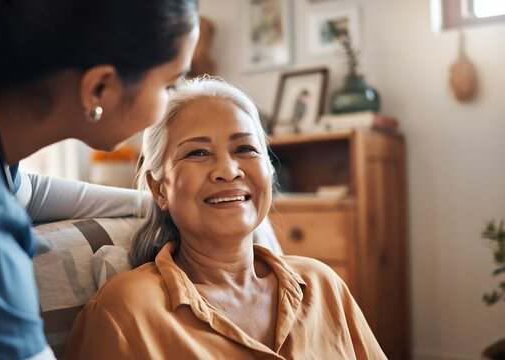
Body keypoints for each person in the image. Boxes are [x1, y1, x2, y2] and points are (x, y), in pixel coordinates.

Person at [0, 0, 199, 358]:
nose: (167, 102)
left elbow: (28, 193)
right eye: (170, 84)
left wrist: (160, 203)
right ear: (99, 88)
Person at [65, 77, 386, 359]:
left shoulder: (323, 284)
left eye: (245, 148)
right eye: (198, 153)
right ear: (158, 188)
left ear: (269, 172)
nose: (228, 170)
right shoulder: (125, 310)